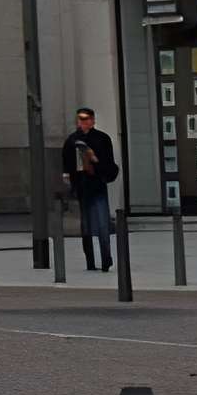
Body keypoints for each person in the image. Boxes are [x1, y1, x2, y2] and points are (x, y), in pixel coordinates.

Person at [63, 108, 122, 272]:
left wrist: (94, 159)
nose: (84, 122)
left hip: (97, 185)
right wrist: (70, 182)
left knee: (103, 223)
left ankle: (106, 258)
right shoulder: (72, 140)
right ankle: (90, 260)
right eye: (81, 119)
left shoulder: (102, 139)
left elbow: (109, 164)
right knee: (86, 226)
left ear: (93, 120)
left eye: (87, 119)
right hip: (82, 186)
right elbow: (67, 166)